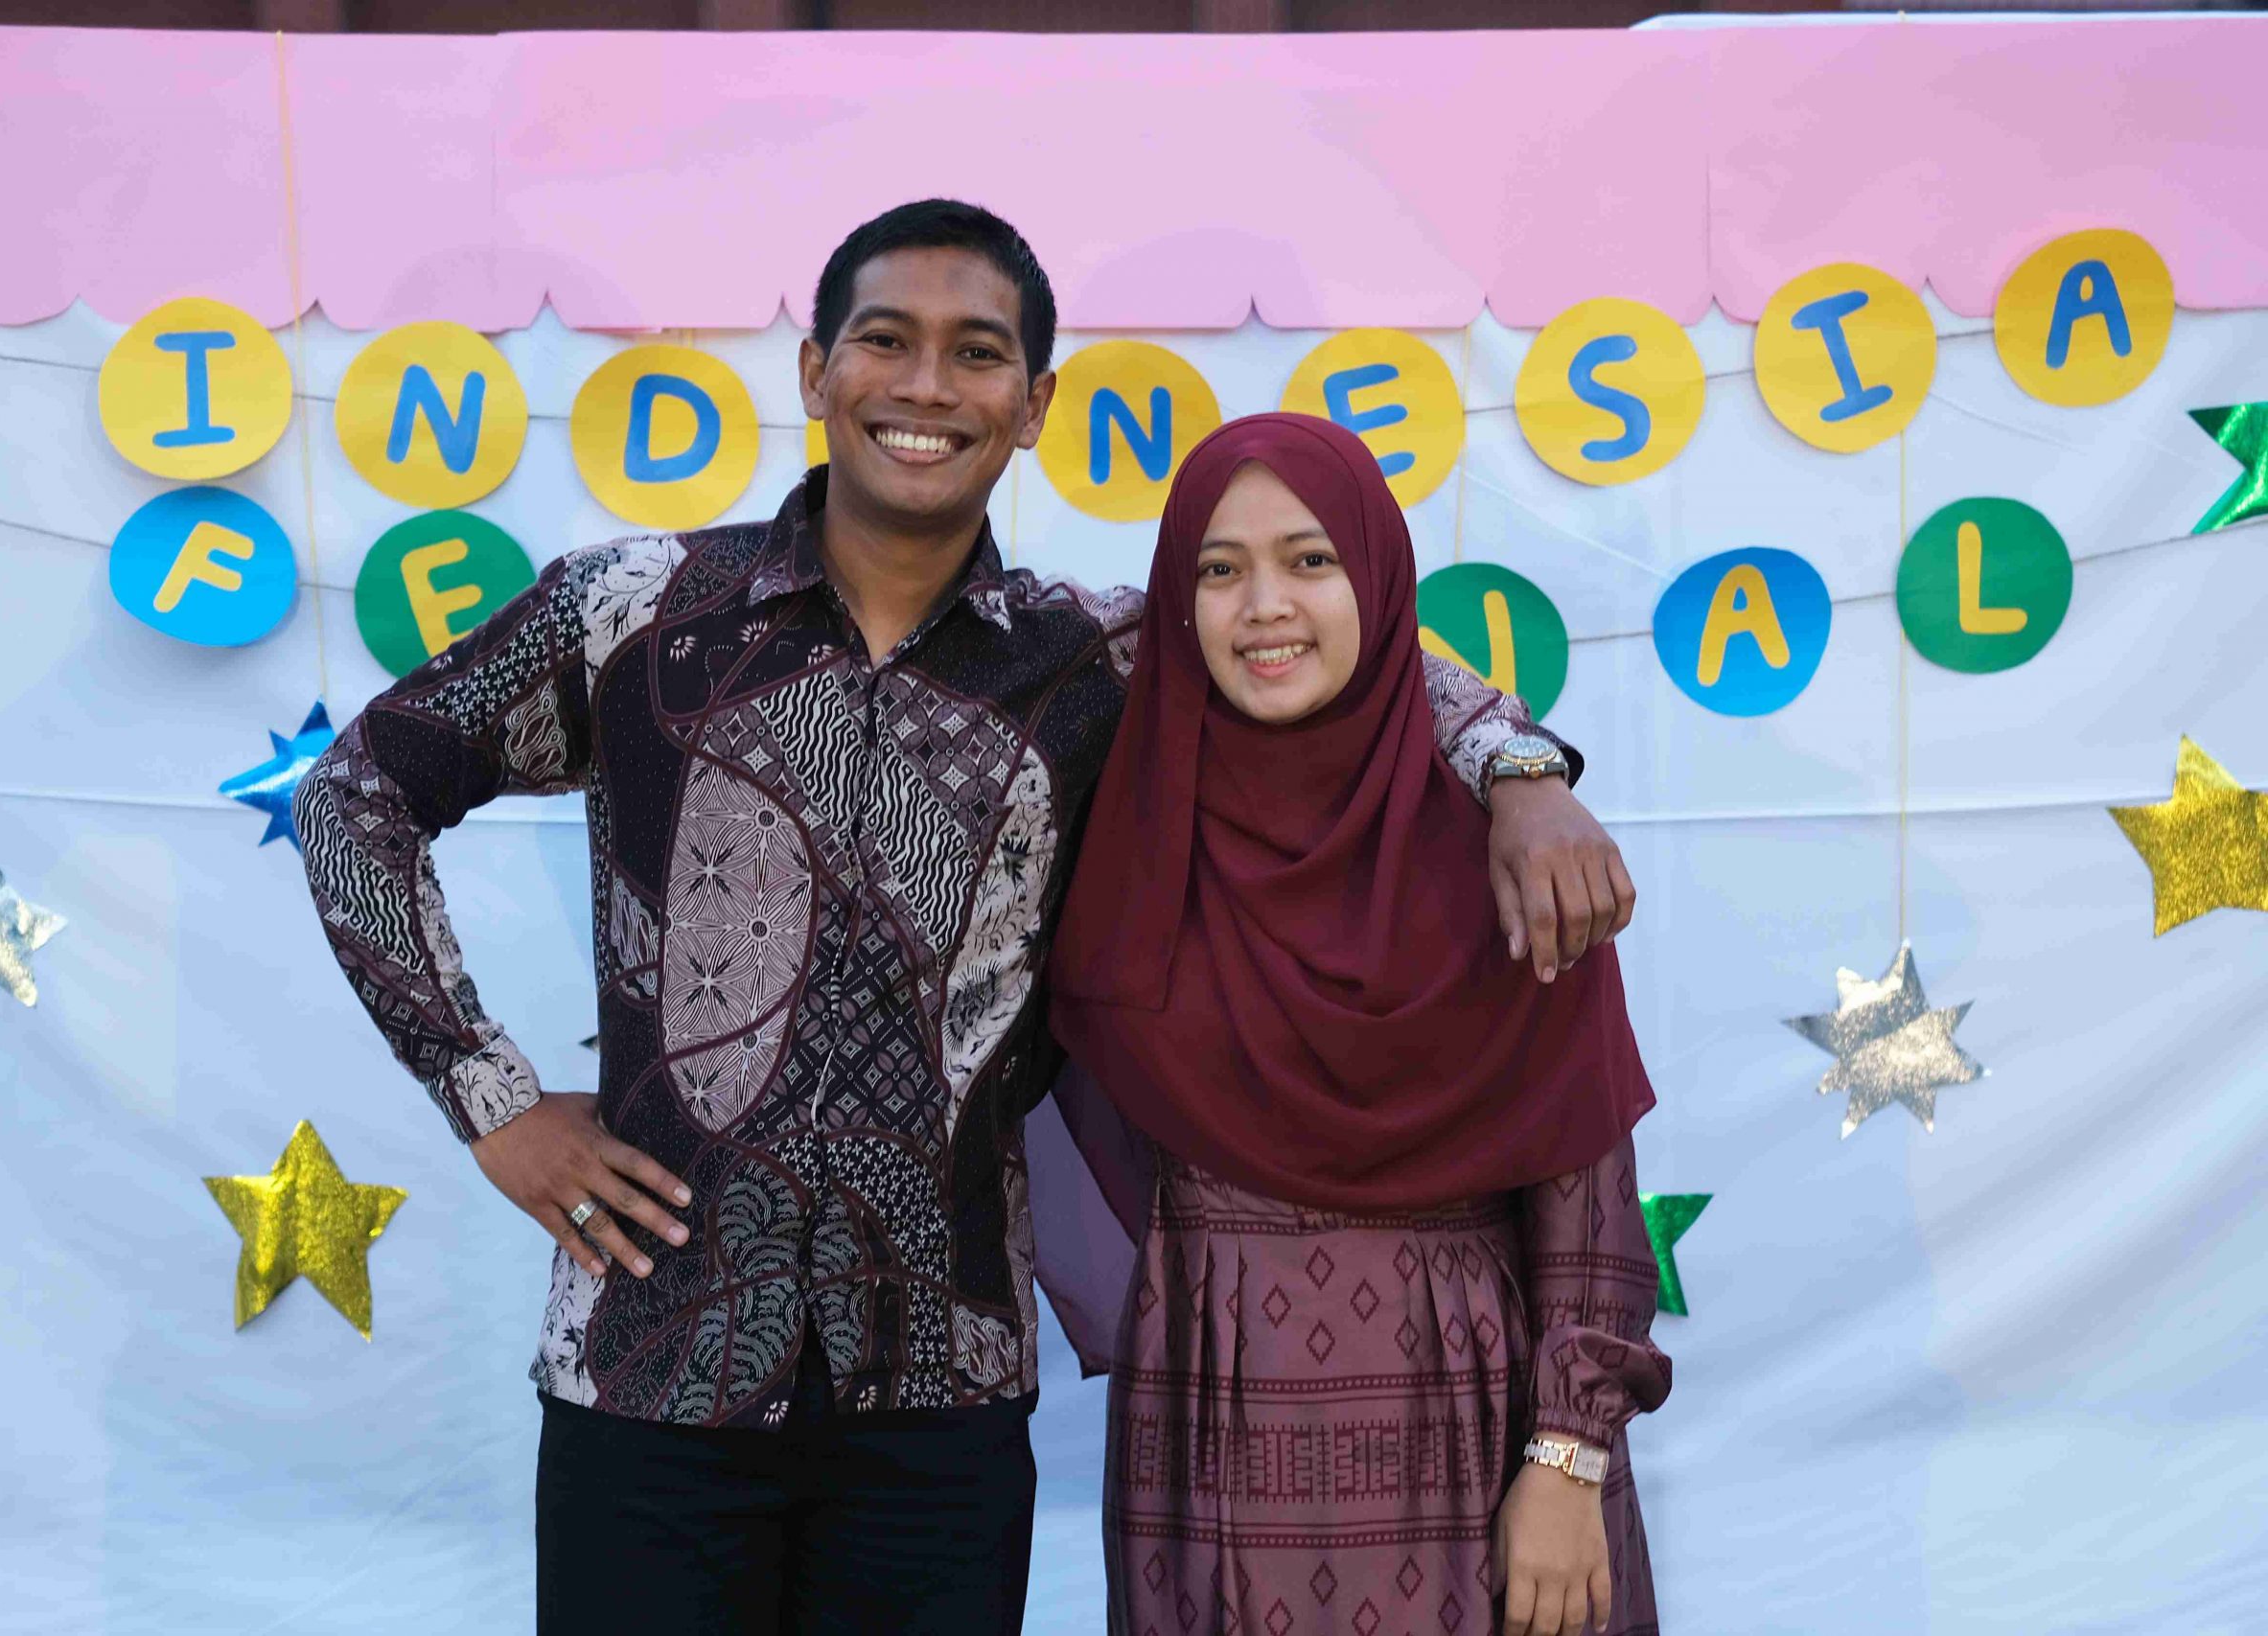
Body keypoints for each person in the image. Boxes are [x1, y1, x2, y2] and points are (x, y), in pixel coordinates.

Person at [292, 201, 1635, 1633]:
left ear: (1034, 403)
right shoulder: (637, 613)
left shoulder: (1088, 663)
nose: (927, 386)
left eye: (977, 353)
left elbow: (1335, 643)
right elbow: (358, 795)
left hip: (939, 1401)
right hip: (650, 1360)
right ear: (816, 370)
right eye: (886, 340)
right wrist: (492, 1099)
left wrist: (1522, 772)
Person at [1044, 414, 1669, 1636]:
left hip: (1472, 1421)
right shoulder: (1130, 824)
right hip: (1202, 1419)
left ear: (1378, 585)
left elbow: (1587, 1187)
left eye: (1312, 559)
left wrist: (1565, 1459)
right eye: (1218, 569)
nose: (1264, 606)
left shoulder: (1508, 853)